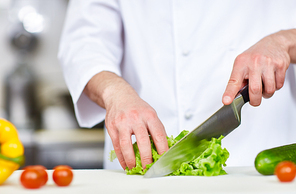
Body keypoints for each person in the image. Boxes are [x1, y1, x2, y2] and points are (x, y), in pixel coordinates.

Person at [58, 0, 296, 170]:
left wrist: (284, 41)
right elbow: (83, 43)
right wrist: (114, 92)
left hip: (258, 162)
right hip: (140, 169)